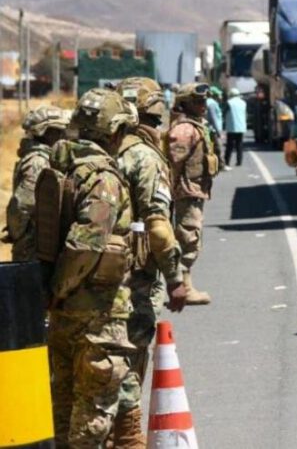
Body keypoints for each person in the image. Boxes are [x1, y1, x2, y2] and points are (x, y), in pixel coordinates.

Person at [47, 88, 137, 447]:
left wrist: (51, 294)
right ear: (113, 132)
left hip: (64, 313)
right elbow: (86, 245)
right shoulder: (102, 178)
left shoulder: (59, 165)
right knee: (92, 416)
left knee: (64, 407)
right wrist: (60, 288)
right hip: (97, 313)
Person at [112, 77, 187, 447]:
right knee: (127, 357)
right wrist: (176, 277)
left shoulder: (95, 148)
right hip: (133, 281)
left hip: (85, 278)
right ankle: (125, 438)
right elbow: (158, 227)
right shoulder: (143, 156)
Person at [168, 82, 219, 305]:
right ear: (185, 103)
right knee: (188, 238)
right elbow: (173, 162)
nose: (203, 105)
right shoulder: (184, 130)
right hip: (185, 191)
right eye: (198, 101)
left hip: (195, 190)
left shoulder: (195, 126)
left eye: (204, 101)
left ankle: (184, 284)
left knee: (190, 237)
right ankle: (181, 287)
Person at [3, 105, 71, 262]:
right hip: (33, 249)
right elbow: (21, 205)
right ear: (49, 132)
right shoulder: (38, 162)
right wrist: (19, 235)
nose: (63, 136)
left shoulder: (40, 158)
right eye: (60, 131)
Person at [224, 87, 248, 168]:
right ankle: (239, 161)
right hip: (241, 126)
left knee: (229, 146)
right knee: (239, 145)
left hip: (231, 127)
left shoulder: (229, 102)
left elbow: (224, 113)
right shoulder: (243, 103)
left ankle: (227, 161)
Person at [206, 86, 226, 167]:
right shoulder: (212, 104)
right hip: (213, 129)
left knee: (211, 148)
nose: (220, 97)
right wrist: (219, 132)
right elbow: (214, 119)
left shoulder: (208, 102)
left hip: (209, 128)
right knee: (219, 148)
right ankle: (221, 165)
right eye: (218, 95)